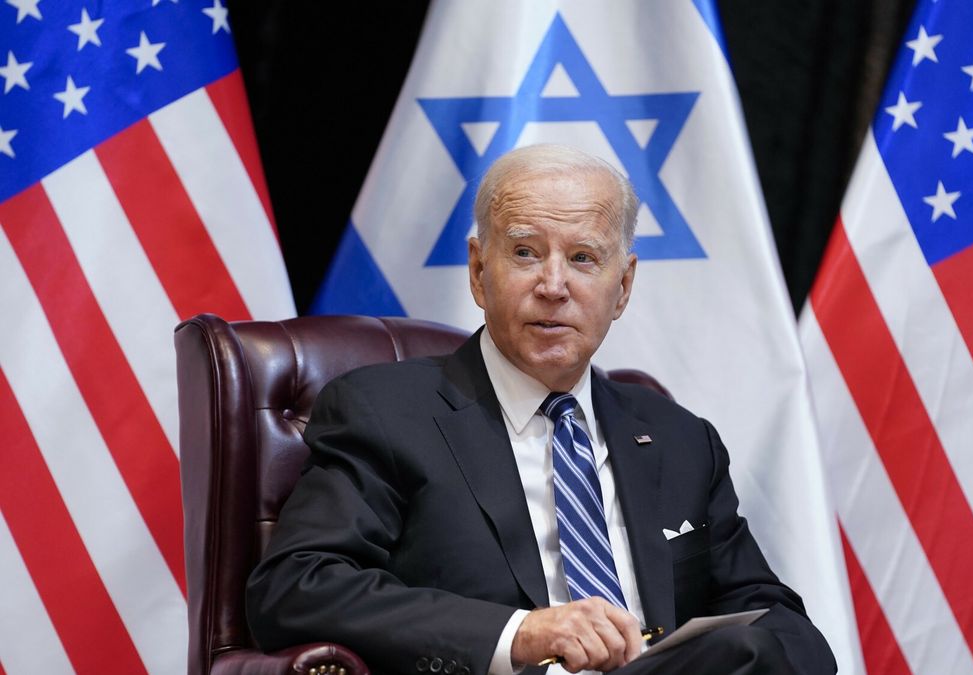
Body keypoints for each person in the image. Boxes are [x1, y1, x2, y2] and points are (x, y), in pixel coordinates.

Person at [246, 144, 837, 675]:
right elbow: (298, 588)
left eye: (583, 259)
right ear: (480, 272)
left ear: (623, 287)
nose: (553, 285)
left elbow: (779, 624)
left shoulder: (680, 441)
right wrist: (521, 634)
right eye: (526, 253)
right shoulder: (384, 412)